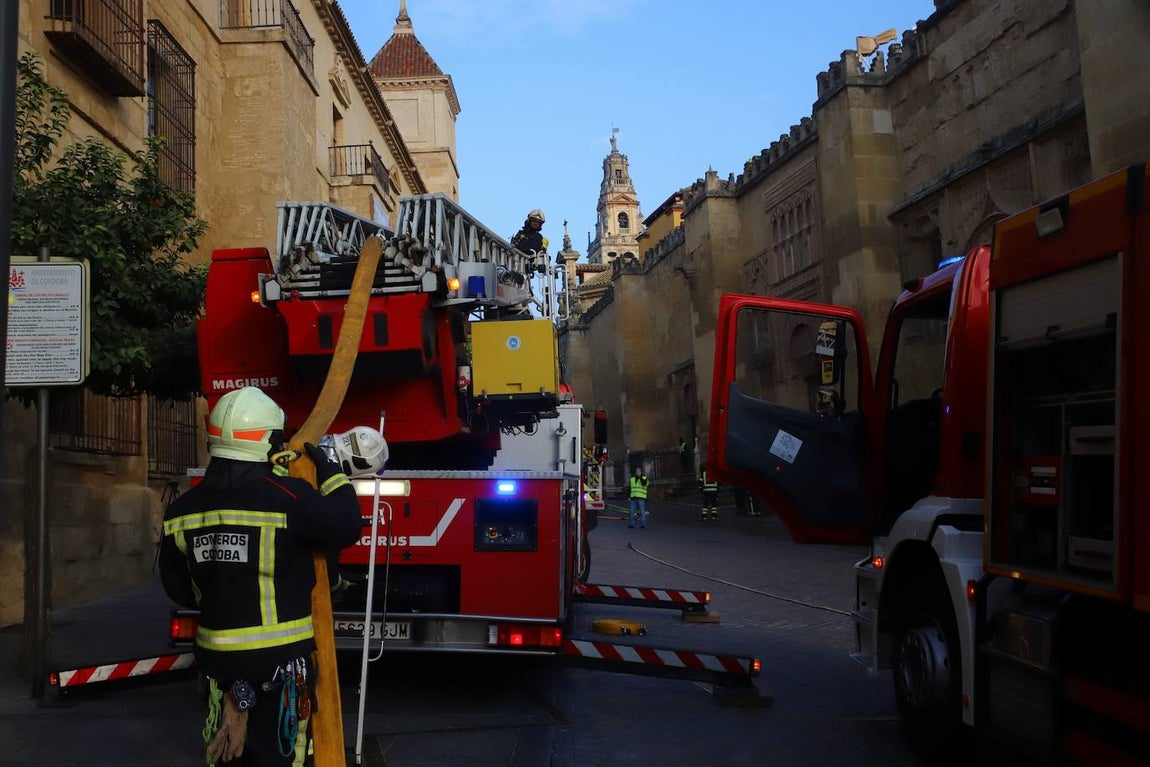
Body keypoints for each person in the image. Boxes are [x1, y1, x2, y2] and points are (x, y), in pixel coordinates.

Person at [159, 386, 363, 766]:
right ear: (270, 440)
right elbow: (348, 524)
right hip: (279, 665)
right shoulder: (287, 497)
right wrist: (332, 472)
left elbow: (179, 589)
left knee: (230, 753)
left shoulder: (183, 510)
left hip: (218, 665)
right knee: (284, 754)